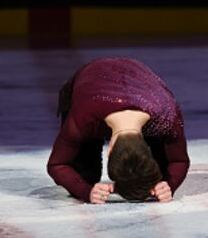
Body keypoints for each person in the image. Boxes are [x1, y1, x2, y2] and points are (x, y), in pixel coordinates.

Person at [47, 57, 190, 204]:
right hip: (91, 86)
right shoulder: (83, 118)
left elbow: (179, 160)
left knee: (154, 177)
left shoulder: (166, 115)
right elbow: (57, 164)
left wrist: (168, 185)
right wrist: (86, 190)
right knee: (85, 177)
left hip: (138, 84)